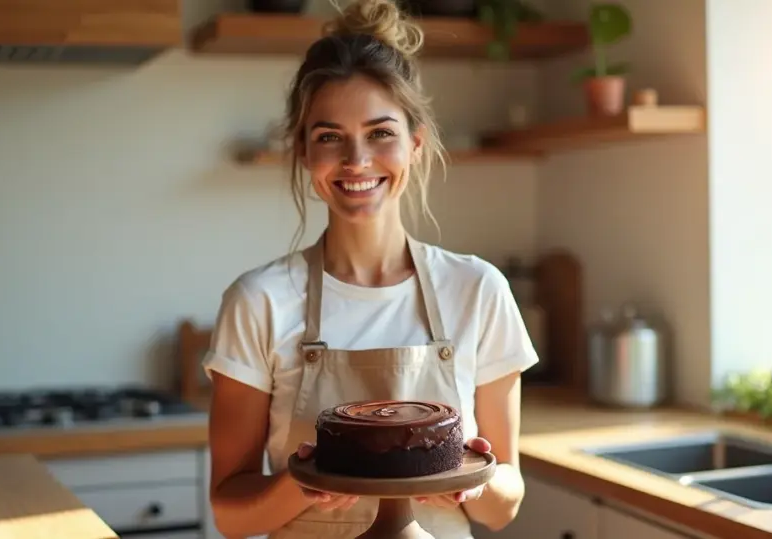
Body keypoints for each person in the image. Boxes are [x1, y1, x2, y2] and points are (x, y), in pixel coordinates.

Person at [202, 0, 539, 537]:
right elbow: (230, 514)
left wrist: (471, 480)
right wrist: (311, 479)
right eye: (329, 136)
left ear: (415, 144)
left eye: (380, 132)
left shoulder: (477, 290)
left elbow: (503, 508)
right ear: (304, 153)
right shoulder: (258, 301)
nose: (356, 160)